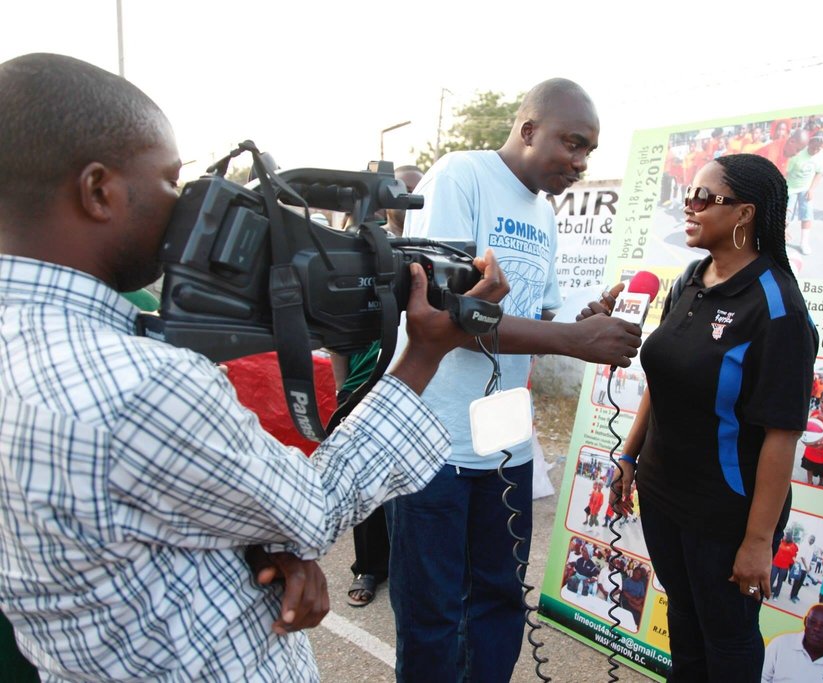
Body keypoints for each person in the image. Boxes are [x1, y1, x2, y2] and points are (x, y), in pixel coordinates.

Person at [0, 53, 510, 681]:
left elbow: (107, 525)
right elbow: (313, 508)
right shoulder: (135, 384)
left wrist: (253, 547)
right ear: (99, 191)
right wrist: (424, 353)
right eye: (167, 182)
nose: (183, 206)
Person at [386, 77, 643, 682]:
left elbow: (538, 315)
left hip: (502, 447)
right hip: (432, 441)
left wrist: (584, 323)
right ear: (528, 130)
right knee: (432, 612)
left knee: (499, 600)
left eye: (589, 152)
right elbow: (445, 314)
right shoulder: (460, 176)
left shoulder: (543, 215)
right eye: (572, 144)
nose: (580, 162)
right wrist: (571, 343)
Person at [601, 153, 818, 681]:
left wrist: (757, 541)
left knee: (728, 635)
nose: (688, 207)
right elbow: (665, 380)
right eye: (686, 196)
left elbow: (781, 436)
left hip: (724, 512)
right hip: (661, 492)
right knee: (683, 615)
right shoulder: (690, 280)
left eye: (703, 198)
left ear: (744, 214)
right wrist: (629, 453)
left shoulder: (778, 308)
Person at [333, 163, 424, 608]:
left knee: (411, 481)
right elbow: (340, 330)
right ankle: (369, 567)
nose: (408, 199)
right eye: (400, 191)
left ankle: (409, 565)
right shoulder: (362, 246)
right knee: (366, 476)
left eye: (416, 191)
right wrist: (341, 391)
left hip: (417, 382)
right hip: (365, 381)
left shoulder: (436, 247)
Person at [761, 605, 823, 682]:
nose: (816, 629)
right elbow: (759, 677)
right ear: (805, 621)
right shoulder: (781, 644)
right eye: (812, 622)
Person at [785, 135, 823, 255]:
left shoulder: (822, 154)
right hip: (791, 188)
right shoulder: (796, 156)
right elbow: (784, 174)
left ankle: (804, 242)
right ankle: (780, 238)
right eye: (813, 147)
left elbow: (819, 173)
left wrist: (812, 189)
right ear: (808, 144)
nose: (815, 151)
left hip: (806, 187)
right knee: (786, 215)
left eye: (818, 148)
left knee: (807, 214)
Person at [770, 532, 799, 601]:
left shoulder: (792, 546)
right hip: (775, 564)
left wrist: (795, 563)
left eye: (785, 536)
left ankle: (776, 595)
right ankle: (767, 592)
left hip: (784, 566)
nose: (784, 536)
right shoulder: (781, 542)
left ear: (788, 537)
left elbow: (794, 555)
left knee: (780, 581)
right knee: (771, 579)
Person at [788, 535, 816, 603]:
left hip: (805, 568)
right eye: (811, 539)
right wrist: (806, 566)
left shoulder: (811, 548)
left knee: (800, 583)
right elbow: (802, 557)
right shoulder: (804, 545)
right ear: (808, 538)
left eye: (813, 540)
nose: (812, 541)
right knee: (796, 582)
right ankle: (792, 596)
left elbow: (809, 559)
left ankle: (796, 595)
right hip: (800, 566)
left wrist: (808, 567)